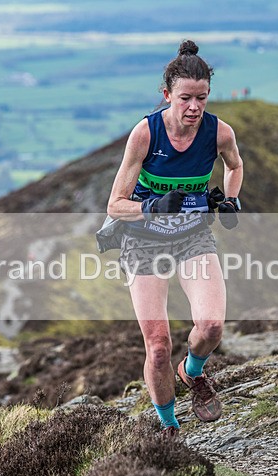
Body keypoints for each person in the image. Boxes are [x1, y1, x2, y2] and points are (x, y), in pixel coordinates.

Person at [106, 40, 243, 436]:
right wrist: (151, 207)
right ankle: (169, 428)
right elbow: (115, 204)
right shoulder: (145, 134)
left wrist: (231, 200)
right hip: (143, 240)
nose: (194, 107)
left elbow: (235, 166)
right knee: (159, 345)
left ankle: (192, 372)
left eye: (201, 97)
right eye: (185, 98)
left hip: (193, 237)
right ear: (167, 95)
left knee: (212, 326)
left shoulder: (219, 133)